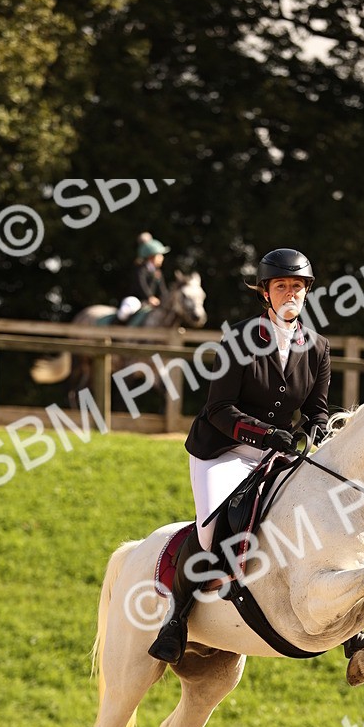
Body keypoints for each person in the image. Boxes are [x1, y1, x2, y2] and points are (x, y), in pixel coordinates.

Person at [148, 247, 331, 664]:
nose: (290, 293)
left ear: (306, 292)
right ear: (265, 292)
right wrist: (267, 434)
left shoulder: (318, 347)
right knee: (211, 528)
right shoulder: (239, 338)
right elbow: (219, 408)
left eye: (297, 286)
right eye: (281, 286)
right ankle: (175, 620)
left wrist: (315, 430)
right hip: (223, 450)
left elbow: (317, 410)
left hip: (276, 456)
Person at [116, 234, 170, 322]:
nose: (162, 257)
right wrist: (149, 297)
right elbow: (141, 284)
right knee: (124, 313)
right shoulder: (140, 269)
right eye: (160, 255)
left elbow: (163, 290)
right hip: (136, 300)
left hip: (151, 302)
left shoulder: (158, 272)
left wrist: (166, 300)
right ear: (152, 257)